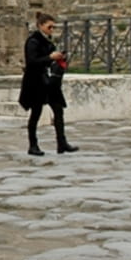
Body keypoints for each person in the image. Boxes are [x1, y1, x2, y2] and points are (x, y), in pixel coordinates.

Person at [18, 11, 79, 156]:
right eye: (49, 27)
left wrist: (59, 57)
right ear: (40, 25)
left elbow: (50, 59)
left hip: (49, 81)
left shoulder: (48, 41)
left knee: (58, 109)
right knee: (36, 113)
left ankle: (61, 143)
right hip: (35, 81)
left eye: (53, 27)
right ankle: (33, 145)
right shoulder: (33, 41)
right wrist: (50, 57)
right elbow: (32, 61)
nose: (52, 30)